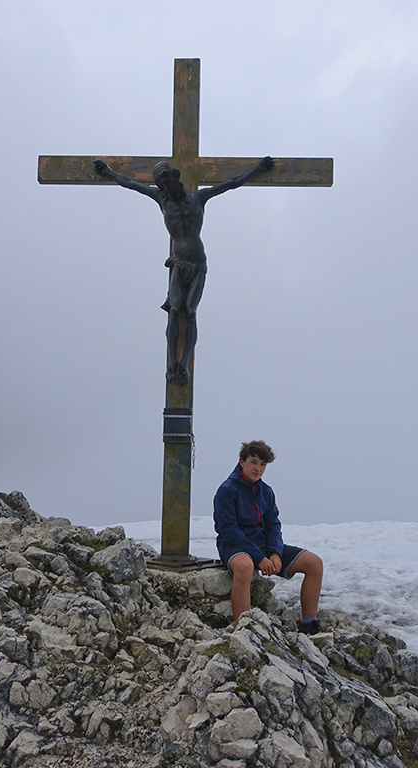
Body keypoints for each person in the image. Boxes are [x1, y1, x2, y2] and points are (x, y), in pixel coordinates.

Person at [93, 156, 274, 384]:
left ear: (174, 177)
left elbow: (233, 182)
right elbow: (128, 182)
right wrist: (107, 171)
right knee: (175, 310)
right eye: (159, 183)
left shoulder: (198, 198)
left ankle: (184, 364)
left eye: (164, 180)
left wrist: (259, 169)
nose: (162, 186)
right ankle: (172, 364)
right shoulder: (161, 199)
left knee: (189, 311)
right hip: (179, 262)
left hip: (197, 262)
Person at [213, 440, 324, 634]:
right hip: (234, 546)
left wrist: (275, 553)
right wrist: (259, 558)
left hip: (262, 545)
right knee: (245, 567)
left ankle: (309, 624)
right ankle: (243, 628)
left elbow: (274, 525)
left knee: (314, 563)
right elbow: (228, 530)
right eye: (254, 462)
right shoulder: (226, 490)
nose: (258, 468)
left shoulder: (266, 491)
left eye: (263, 464)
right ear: (242, 462)